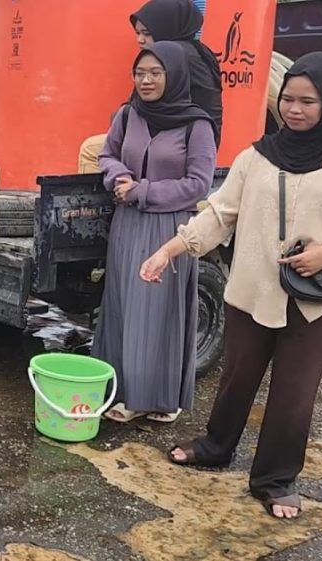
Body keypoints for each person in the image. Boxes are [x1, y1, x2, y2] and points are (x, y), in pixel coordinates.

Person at [140, 52, 322, 519]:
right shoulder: (256, 156)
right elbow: (221, 213)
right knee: (236, 378)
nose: (294, 110)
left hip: (316, 300)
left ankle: (275, 479)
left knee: (294, 393)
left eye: (308, 101)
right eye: (288, 99)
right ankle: (216, 446)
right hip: (252, 290)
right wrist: (169, 250)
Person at [94, 42, 217, 424]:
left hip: (170, 226)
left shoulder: (197, 124)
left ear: (175, 75)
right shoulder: (129, 114)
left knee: (158, 311)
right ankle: (123, 390)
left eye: (155, 73)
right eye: (140, 73)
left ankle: (156, 398)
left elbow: (199, 184)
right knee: (121, 305)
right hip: (128, 223)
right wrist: (119, 176)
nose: (146, 80)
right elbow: (107, 155)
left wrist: (142, 191)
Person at [131, 0, 223, 139]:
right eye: (138, 33)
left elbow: (137, 111)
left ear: (166, 28)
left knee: (92, 150)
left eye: (147, 33)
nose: (140, 40)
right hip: (195, 139)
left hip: (183, 144)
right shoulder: (197, 51)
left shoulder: (175, 56)